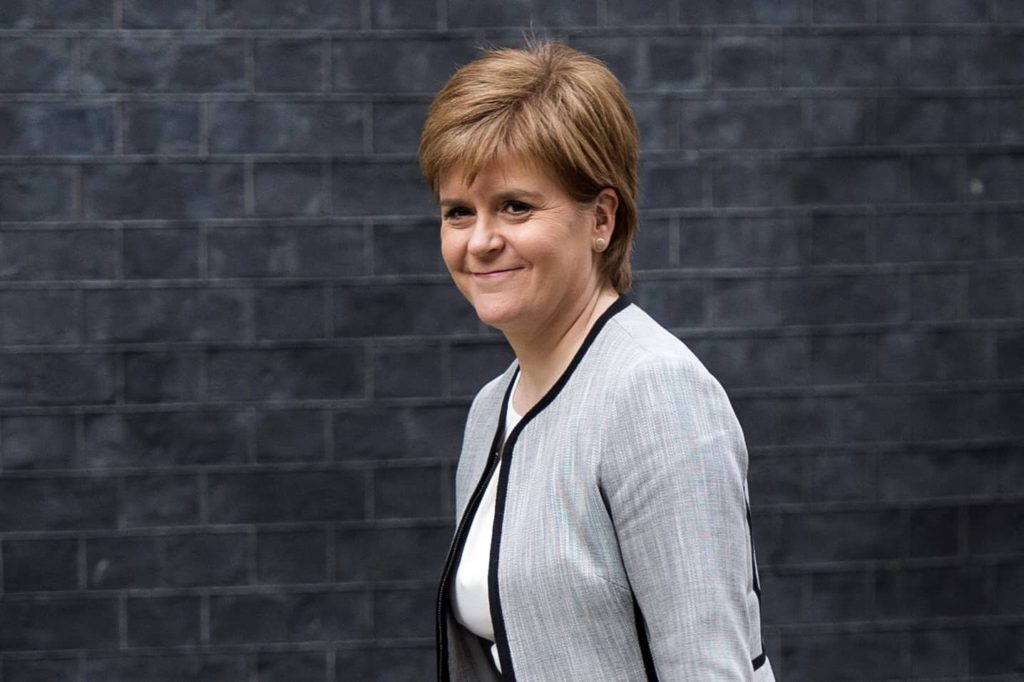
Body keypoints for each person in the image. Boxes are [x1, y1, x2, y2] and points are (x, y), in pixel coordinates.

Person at [418, 41, 775, 681]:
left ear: (602, 219)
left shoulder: (654, 395)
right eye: (459, 213)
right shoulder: (491, 409)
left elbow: (708, 666)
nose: (481, 241)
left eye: (516, 206)